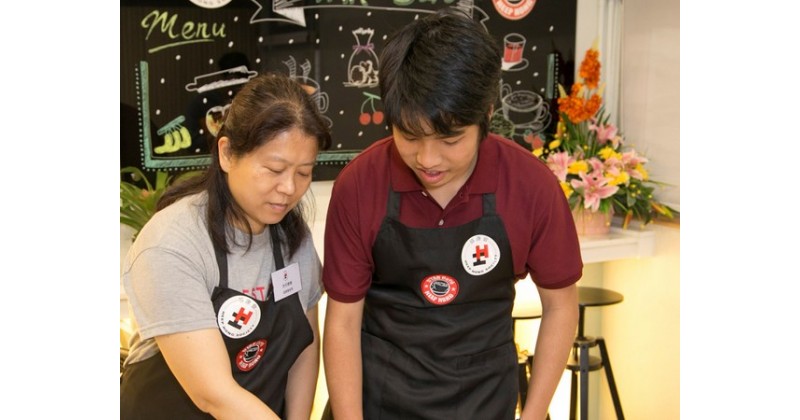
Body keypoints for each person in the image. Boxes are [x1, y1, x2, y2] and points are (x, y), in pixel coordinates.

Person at [321, 8, 582, 420]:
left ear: (487, 115)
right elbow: (342, 322)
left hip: (484, 401)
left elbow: (561, 307)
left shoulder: (531, 186)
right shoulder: (359, 185)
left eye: (449, 139)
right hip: (379, 401)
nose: (428, 160)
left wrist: (533, 414)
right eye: (409, 135)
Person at [121, 72, 332, 419]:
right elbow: (214, 394)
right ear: (227, 153)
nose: (289, 188)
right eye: (274, 169)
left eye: (303, 172)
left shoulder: (293, 238)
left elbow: (304, 349)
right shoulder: (172, 243)